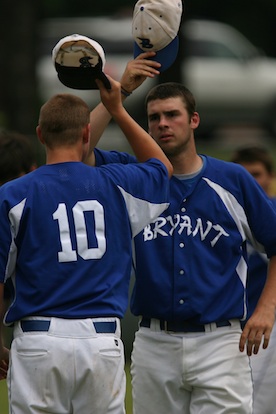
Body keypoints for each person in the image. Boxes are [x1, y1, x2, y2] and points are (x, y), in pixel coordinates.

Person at [88, 65, 276, 413]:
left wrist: (266, 309)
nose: (162, 124)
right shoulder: (133, 177)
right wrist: (119, 97)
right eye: (154, 117)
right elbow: (82, 149)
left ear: (194, 120)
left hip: (222, 341)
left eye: (172, 115)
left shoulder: (232, 179)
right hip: (155, 342)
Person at [0, 75, 173, 413]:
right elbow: (162, 167)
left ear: (39, 136)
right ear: (86, 135)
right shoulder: (117, 183)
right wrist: (117, 109)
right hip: (100, 340)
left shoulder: (12, 194)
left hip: (39, 339)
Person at [231, 145, 276, 414]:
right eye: (246, 176)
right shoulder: (224, 213)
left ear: (270, 176)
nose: (253, 182)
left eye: (257, 174)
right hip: (232, 322)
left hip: (268, 321)